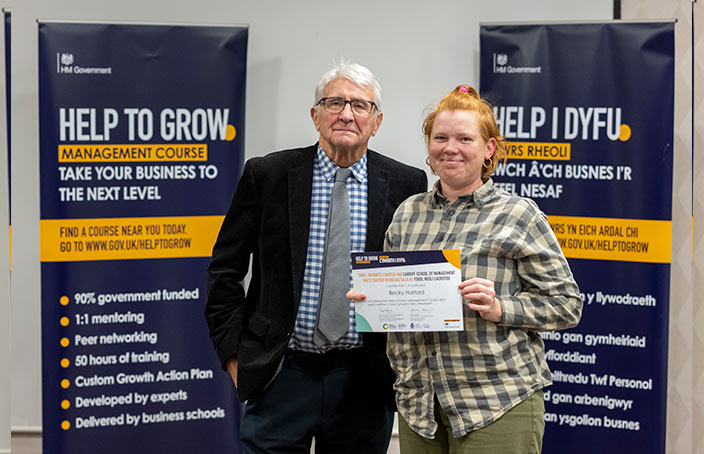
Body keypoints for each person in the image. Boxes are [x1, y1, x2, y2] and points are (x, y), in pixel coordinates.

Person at [205, 60, 427, 454]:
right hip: (281, 373)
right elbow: (225, 269)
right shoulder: (268, 175)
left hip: (363, 377)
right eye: (334, 102)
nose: (346, 114)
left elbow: (411, 277)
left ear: (376, 122)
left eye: (360, 106)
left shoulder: (407, 183)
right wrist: (233, 354)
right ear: (315, 115)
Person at [349, 84, 583, 453]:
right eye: (440, 137)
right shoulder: (408, 213)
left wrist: (501, 308)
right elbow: (395, 305)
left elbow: (567, 304)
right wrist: (372, 300)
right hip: (419, 406)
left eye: (464, 138)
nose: (450, 148)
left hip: (495, 402)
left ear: (489, 149)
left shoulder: (518, 214)